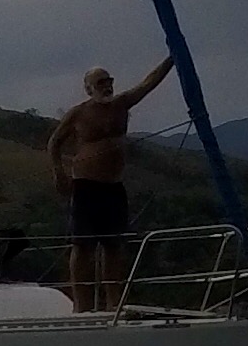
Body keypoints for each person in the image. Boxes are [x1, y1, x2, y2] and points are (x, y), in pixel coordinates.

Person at [46, 53, 174, 309]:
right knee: (83, 247)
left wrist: (172, 59)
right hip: (86, 185)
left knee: (113, 245)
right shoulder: (78, 113)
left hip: (114, 186)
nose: (107, 86)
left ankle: (113, 302)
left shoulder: (121, 104)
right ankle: (81, 305)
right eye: (100, 82)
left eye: (109, 81)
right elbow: (54, 143)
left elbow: (148, 83)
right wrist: (58, 173)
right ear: (88, 88)